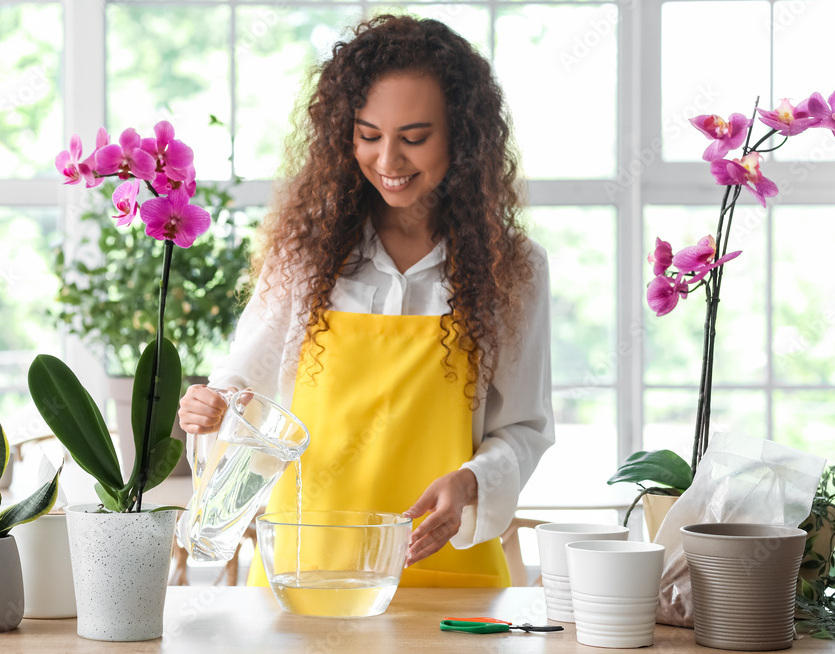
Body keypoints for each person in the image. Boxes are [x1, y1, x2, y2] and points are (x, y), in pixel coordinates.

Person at [178, 14, 554, 588]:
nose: (387, 161)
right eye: (368, 134)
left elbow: (525, 427)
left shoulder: (514, 270)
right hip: (306, 570)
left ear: (463, 134)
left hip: (443, 566)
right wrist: (209, 405)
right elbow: (242, 388)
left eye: (414, 138)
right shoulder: (306, 257)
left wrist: (472, 481)